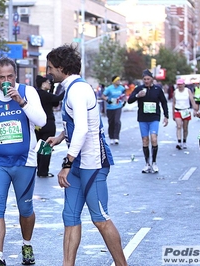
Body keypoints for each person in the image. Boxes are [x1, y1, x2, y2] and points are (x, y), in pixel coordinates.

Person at [45, 45, 128, 266]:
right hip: (78, 164)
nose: (48, 72)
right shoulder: (70, 88)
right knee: (70, 217)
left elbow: (83, 129)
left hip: (92, 162)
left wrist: (66, 163)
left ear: (62, 68)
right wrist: (61, 137)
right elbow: (78, 124)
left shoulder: (78, 90)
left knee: (100, 218)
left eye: (51, 67)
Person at [0, 57, 46, 266]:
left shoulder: (28, 92)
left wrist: (21, 102)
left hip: (25, 161)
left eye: (10, 76)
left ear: (16, 75)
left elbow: (41, 121)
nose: (6, 80)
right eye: (2, 77)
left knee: (25, 210)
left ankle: (26, 244)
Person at [127, 69, 169, 173]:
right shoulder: (139, 89)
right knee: (145, 140)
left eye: (148, 79)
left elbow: (164, 102)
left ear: (152, 79)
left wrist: (166, 116)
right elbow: (129, 100)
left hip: (154, 117)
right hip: (143, 118)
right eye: (144, 79)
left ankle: (154, 162)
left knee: (154, 139)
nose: (146, 81)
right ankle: (147, 163)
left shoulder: (157, 89)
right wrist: (138, 96)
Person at [34, 75, 64, 178]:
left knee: (40, 147)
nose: (50, 84)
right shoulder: (44, 94)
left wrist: (51, 88)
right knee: (47, 148)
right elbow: (58, 98)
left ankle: (40, 170)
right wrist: (68, 88)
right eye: (48, 82)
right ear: (43, 84)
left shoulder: (36, 94)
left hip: (37, 125)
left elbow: (54, 103)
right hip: (48, 123)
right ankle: (44, 171)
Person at [172, 78, 198, 150]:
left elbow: (192, 100)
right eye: (178, 84)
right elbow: (173, 103)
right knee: (179, 126)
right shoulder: (175, 92)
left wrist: (195, 110)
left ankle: (184, 141)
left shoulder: (187, 91)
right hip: (178, 110)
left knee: (185, 127)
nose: (179, 86)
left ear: (184, 84)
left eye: (181, 84)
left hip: (186, 110)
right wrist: (173, 114)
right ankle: (179, 142)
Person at [101, 76, 126, 145]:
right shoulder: (109, 88)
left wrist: (124, 101)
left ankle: (116, 137)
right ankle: (111, 137)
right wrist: (107, 100)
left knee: (117, 121)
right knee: (111, 122)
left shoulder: (121, 88)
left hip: (118, 106)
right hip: (110, 107)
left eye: (119, 80)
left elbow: (124, 95)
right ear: (114, 81)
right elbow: (103, 96)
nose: (119, 81)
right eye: (117, 80)